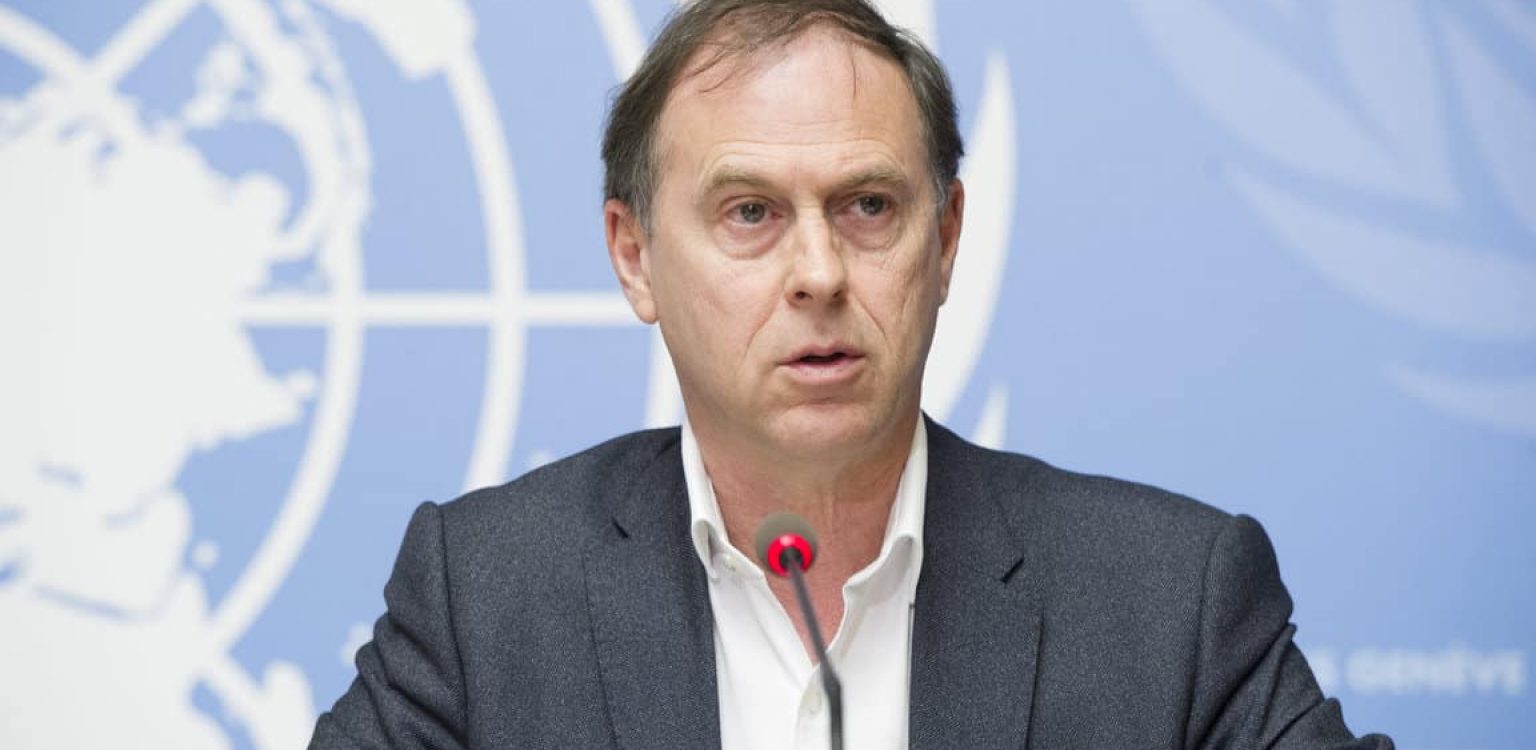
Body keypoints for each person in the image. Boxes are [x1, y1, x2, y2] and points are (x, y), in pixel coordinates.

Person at [309, 1, 1393, 747]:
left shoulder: (1169, 600)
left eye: (868, 206)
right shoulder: (487, 593)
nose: (820, 273)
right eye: (751, 215)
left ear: (947, 237)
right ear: (633, 256)